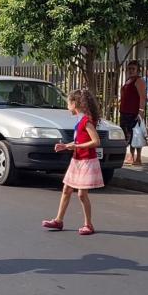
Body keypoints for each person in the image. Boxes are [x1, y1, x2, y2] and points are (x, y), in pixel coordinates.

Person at [41, 89, 104, 235]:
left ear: (75, 103)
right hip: (77, 160)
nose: (67, 106)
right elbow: (79, 141)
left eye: (68, 103)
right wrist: (66, 146)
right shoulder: (80, 121)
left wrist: (76, 146)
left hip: (87, 161)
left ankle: (88, 225)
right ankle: (58, 220)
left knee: (81, 194)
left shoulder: (86, 121)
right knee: (66, 190)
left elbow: (96, 141)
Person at [119, 60, 146, 165]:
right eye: (129, 69)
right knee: (128, 135)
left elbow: (142, 97)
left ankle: (138, 158)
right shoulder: (128, 80)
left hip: (133, 113)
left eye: (133, 69)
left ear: (138, 70)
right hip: (124, 112)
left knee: (136, 135)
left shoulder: (139, 81)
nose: (131, 70)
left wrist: (141, 112)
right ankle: (131, 156)